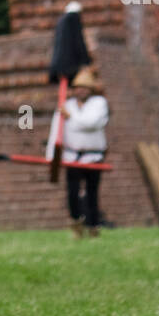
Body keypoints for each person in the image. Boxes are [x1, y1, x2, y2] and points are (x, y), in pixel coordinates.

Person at [46, 66, 109, 237]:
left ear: (90, 89)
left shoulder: (99, 104)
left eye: (84, 87)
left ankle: (93, 226)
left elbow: (91, 123)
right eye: (78, 87)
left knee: (92, 193)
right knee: (72, 193)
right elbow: (55, 131)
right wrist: (52, 156)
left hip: (93, 156)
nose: (80, 91)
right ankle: (76, 223)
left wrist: (71, 117)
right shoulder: (67, 106)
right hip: (71, 156)